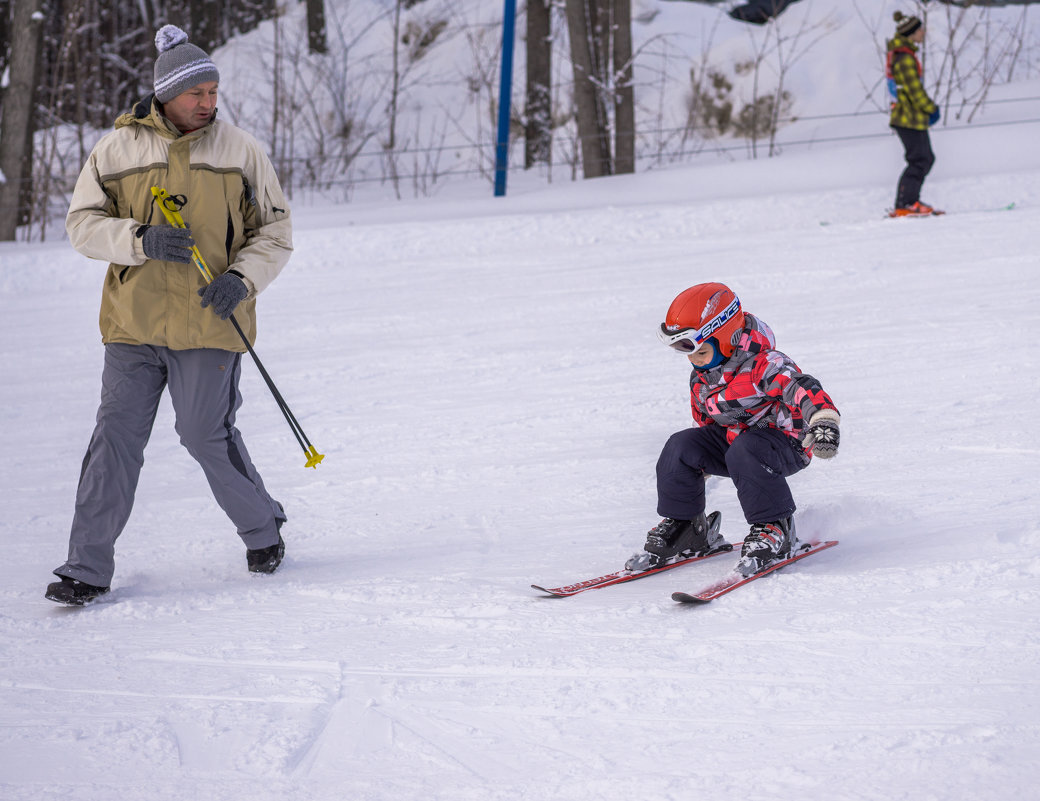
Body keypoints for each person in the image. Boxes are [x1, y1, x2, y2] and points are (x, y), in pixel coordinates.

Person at [45, 25, 293, 605]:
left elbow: (275, 232)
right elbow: (81, 225)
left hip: (211, 322)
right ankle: (85, 567)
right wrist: (139, 240)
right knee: (115, 440)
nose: (209, 103)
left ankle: (263, 528)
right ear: (166, 94)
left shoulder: (240, 150)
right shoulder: (116, 149)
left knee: (205, 434)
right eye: (197, 94)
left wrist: (242, 279)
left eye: (214, 92)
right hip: (133, 323)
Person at [638, 282, 840, 577]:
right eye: (684, 351)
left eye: (699, 350)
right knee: (680, 447)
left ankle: (775, 528)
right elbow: (707, 422)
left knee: (747, 450)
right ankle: (687, 528)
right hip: (739, 447)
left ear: (726, 339)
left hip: (787, 444)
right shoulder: (702, 377)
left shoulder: (765, 365)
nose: (692, 360)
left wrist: (823, 421)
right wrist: (697, 465)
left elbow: (802, 388)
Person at [887, 11, 940, 217]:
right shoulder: (905, 59)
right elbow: (914, 90)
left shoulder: (903, 55)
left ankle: (908, 202)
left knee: (924, 158)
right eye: (920, 29)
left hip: (909, 118)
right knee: (920, 159)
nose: (923, 33)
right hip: (908, 118)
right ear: (911, 33)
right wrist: (931, 108)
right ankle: (906, 204)